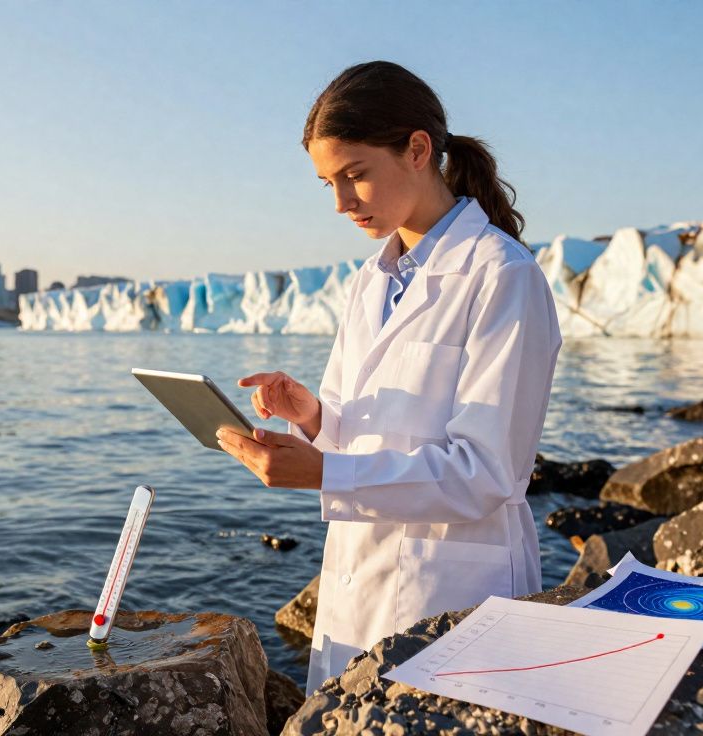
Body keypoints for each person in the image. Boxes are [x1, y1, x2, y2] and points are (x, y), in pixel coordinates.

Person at [214, 61, 562, 695]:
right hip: (358, 578)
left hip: (453, 591)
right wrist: (314, 419)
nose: (343, 203)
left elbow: (486, 472)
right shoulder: (370, 280)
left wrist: (322, 473)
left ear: (417, 150)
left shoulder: (502, 275)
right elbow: (369, 431)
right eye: (328, 184)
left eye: (356, 176)